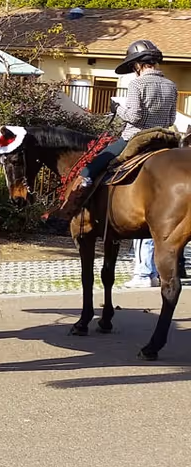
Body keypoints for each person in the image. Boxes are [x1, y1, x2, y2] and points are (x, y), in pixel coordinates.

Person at [54, 38, 179, 285]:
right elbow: (172, 116)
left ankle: (75, 210)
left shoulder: (137, 84)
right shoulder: (171, 85)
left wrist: (116, 107)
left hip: (137, 137)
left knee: (93, 166)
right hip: (164, 139)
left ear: (136, 65)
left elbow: (134, 116)